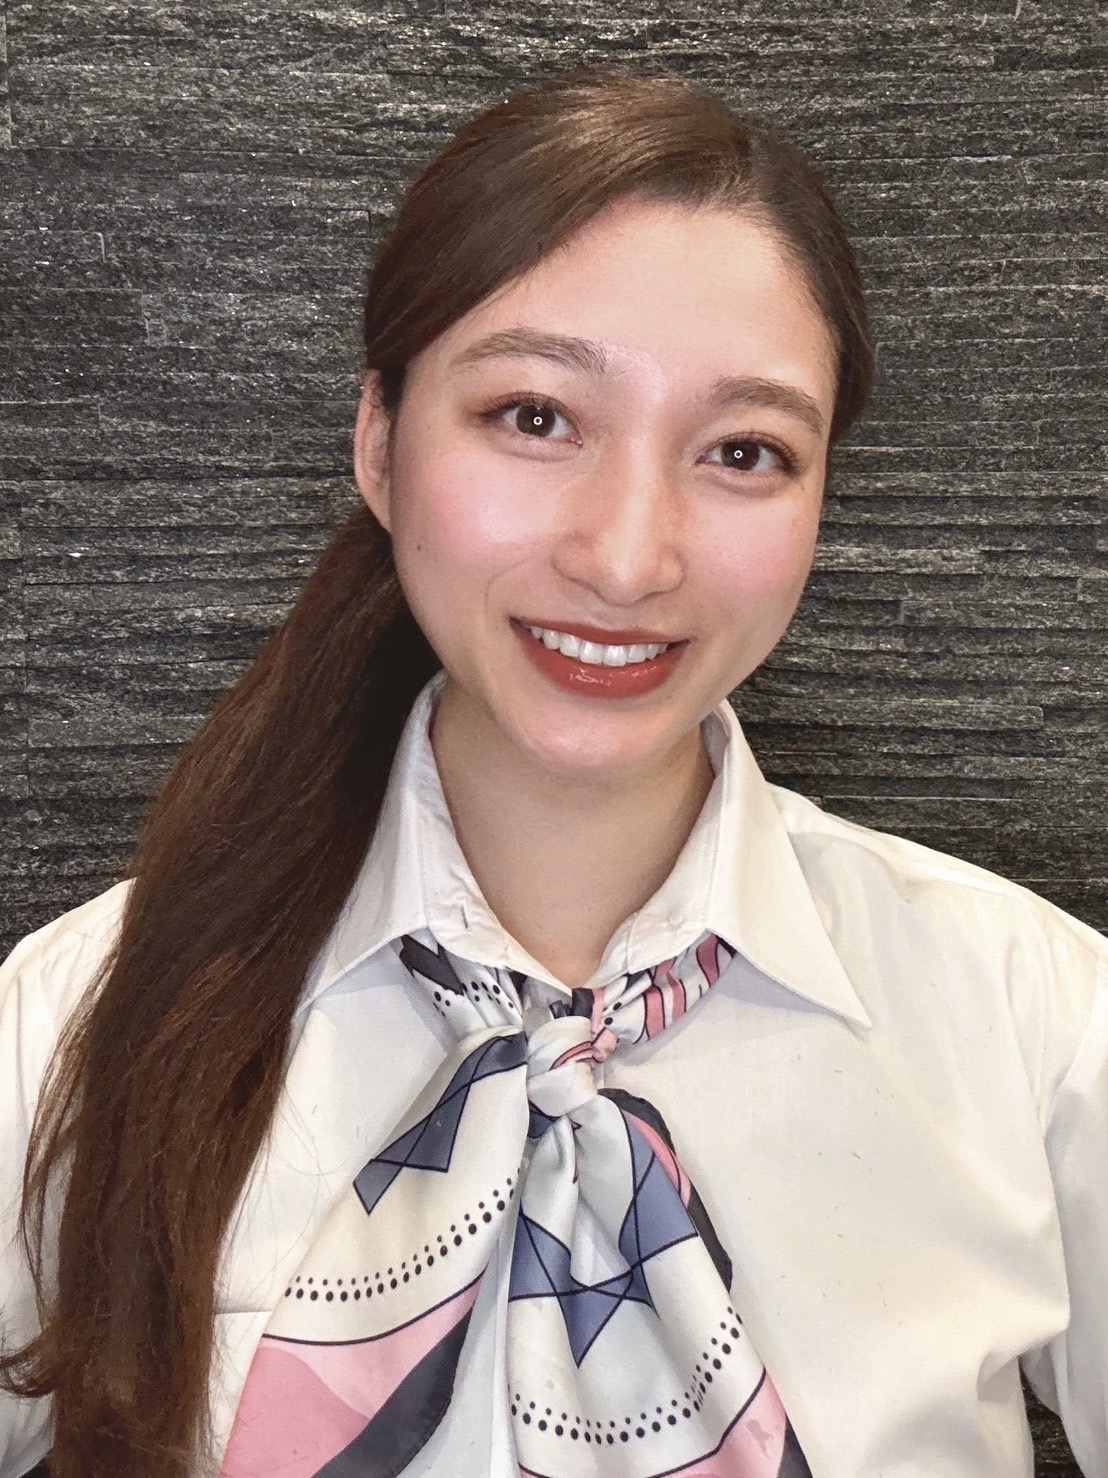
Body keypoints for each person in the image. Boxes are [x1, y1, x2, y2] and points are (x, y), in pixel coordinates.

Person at [0, 69, 1104, 1478]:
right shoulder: (71, 1030)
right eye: (534, 417)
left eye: (745, 451)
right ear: (380, 443)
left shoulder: (1037, 1024)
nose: (628, 557)